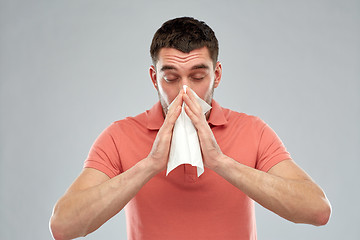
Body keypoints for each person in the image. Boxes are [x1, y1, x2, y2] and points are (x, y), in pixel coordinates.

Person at [49, 17, 331, 240]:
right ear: (154, 78)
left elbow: (317, 210)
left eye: (197, 76)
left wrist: (221, 162)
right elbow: (63, 227)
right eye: (171, 77)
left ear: (216, 75)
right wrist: (149, 165)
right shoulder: (120, 135)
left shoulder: (252, 130)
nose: (185, 91)